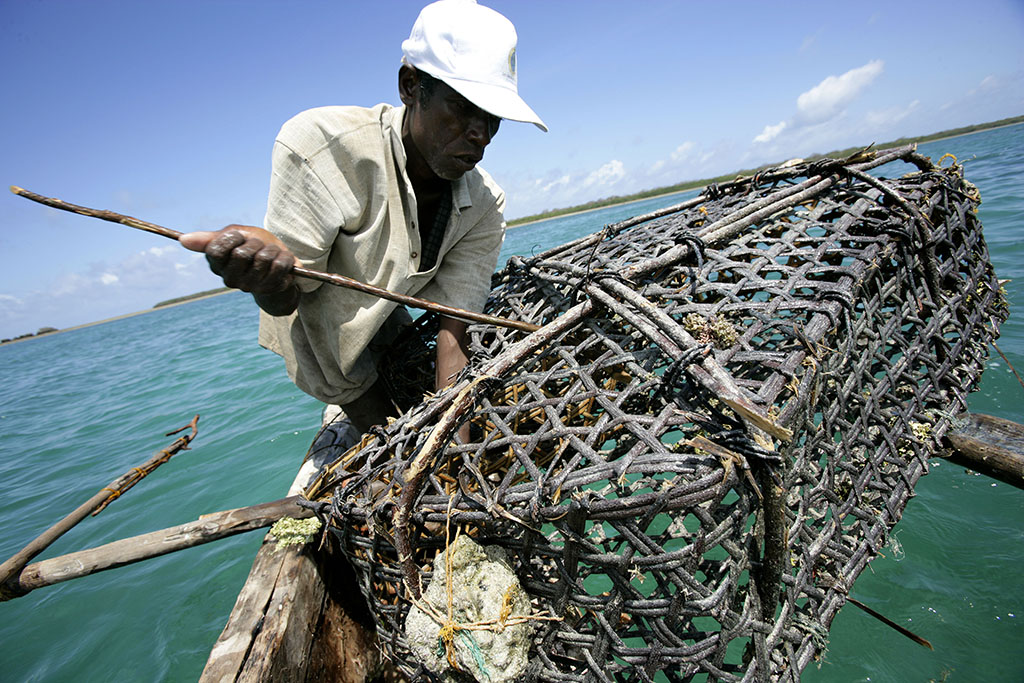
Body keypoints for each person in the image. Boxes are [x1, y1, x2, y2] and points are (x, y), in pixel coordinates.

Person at [179, 0, 546, 458]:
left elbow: (456, 329)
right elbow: (287, 299)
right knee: (386, 445)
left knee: (434, 437)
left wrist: (456, 453)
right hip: (321, 331)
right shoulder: (323, 147)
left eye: (492, 117)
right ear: (411, 86)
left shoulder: (485, 204)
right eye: (462, 108)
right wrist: (263, 274)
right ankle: (366, 421)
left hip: (389, 312)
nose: (480, 133)